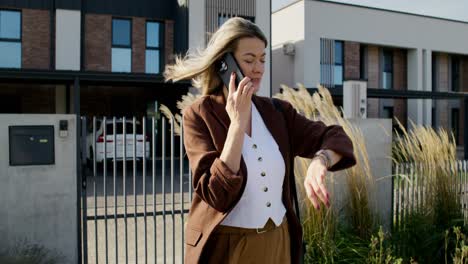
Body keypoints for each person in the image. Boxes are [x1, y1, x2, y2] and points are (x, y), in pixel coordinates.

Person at [164, 17, 356, 264]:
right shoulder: (199, 115)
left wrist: (321, 161)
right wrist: (237, 124)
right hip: (228, 248)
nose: (258, 68)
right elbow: (216, 195)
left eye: (263, 59)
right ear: (225, 63)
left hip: (279, 243)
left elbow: (336, 136)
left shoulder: (277, 112)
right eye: (249, 60)